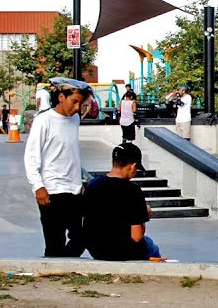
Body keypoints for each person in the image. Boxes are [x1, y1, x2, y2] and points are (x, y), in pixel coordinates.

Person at [24, 79, 91, 257]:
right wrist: (38, 186)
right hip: (52, 190)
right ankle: (55, 271)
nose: (77, 108)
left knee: (82, 236)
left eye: (81, 104)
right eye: (74, 101)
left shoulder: (74, 119)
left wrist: (79, 183)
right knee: (55, 241)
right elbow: (31, 156)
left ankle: (64, 265)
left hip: (74, 189)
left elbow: (71, 153)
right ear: (61, 97)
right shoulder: (44, 120)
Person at [82, 142, 162, 261]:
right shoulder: (133, 190)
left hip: (97, 250)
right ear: (132, 166)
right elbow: (136, 236)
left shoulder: (92, 185)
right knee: (151, 245)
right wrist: (142, 214)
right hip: (123, 252)